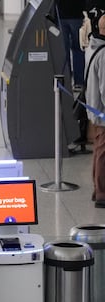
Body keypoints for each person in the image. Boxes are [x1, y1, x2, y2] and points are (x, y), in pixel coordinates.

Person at [87, 15, 105, 207]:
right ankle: (102, 193)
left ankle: (97, 189)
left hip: (95, 110)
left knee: (99, 149)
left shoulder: (94, 46)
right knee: (103, 152)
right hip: (102, 112)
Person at [58, 0, 87, 88]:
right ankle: (79, 81)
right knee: (78, 49)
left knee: (64, 51)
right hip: (76, 14)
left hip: (61, 14)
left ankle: (66, 81)